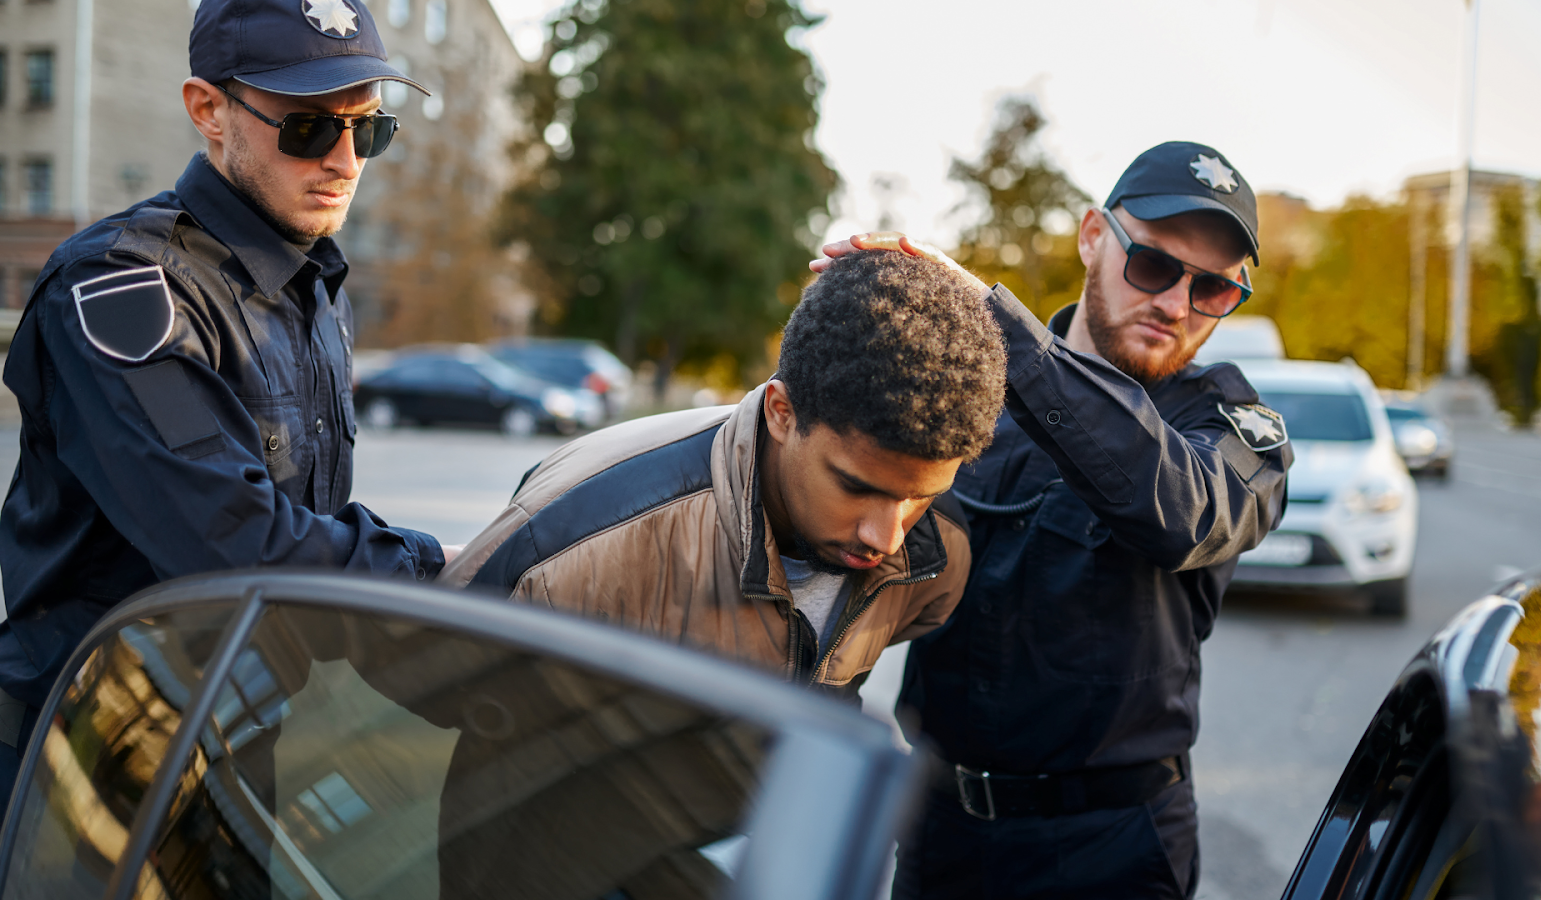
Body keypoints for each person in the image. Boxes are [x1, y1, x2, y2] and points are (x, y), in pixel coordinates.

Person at [0, 0, 458, 805]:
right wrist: (436, 569)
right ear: (209, 110)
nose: (346, 160)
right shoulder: (123, 288)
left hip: (236, 742)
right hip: (83, 771)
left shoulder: (314, 285)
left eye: (371, 129)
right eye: (310, 128)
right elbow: (235, 546)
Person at [815, 142, 1292, 899]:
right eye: (1156, 266)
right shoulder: (971, 390)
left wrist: (991, 323)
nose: (1176, 304)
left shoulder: (1233, 426)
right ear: (1093, 236)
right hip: (943, 831)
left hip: (1113, 847)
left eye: (1213, 290)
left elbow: (1182, 511)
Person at [441, 250, 1006, 691]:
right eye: (856, 486)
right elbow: (431, 682)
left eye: (920, 498)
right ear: (782, 413)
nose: (885, 537)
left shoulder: (942, 550)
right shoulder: (575, 538)